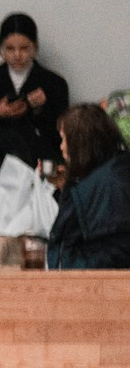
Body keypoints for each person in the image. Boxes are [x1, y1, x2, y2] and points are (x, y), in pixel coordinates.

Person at [0, 13, 71, 180]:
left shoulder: (53, 83)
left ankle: (40, 174)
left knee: (3, 168)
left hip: (12, 160)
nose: (17, 55)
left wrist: (40, 111)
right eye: (10, 49)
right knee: (10, 136)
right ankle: (49, 170)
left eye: (24, 48)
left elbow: (60, 137)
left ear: (35, 47)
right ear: (1, 49)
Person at [47, 104, 130, 270]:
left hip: (92, 285)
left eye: (64, 139)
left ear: (79, 142)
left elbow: (117, 246)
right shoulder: (109, 173)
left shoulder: (112, 182)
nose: (61, 147)